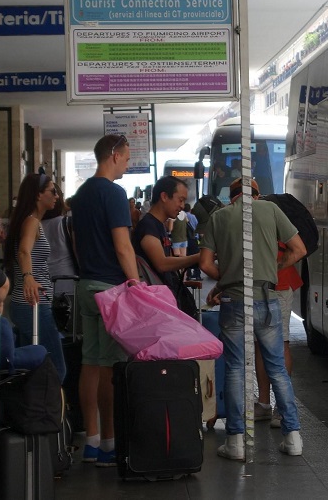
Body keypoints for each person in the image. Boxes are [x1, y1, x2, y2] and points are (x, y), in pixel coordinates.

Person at [200, 177, 307, 460]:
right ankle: (293, 437)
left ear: (231, 197)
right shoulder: (270, 209)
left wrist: (227, 280)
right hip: (266, 298)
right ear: (256, 195)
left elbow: (205, 264)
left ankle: (235, 442)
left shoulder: (218, 217)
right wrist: (275, 267)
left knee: (235, 368)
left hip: (234, 301)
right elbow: (299, 249)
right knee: (276, 369)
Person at [69, 133, 138, 467]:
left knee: (90, 362)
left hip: (86, 286)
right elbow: (123, 245)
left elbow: (79, 246)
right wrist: (136, 283)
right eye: (126, 157)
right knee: (111, 366)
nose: (127, 163)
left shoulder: (80, 195)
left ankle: (91, 442)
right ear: (113, 155)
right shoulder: (113, 193)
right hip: (111, 289)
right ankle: (110, 443)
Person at [3, 172, 67, 382]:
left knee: (30, 370)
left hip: (26, 305)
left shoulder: (27, 221)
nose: (56, 196)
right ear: (38, 195)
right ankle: (49, 413)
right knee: (56, 369)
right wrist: (29, 277)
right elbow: (24, 251)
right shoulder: (31, 222)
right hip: (34, 306)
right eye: (52, 191)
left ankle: (30, 411)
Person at [132, 176, 202, 318]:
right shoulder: (148, 226)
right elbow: (162, 264)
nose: (182, 206)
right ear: (164, 196)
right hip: (154, 305)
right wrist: (199, 257)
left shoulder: (159, 225)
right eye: (180, 200)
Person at [253, 244, 303, 427]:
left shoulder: (274, 216)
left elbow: (300, 249)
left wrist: (272, 268)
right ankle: (265, 404)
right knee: (261, 342)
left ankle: (281, 407)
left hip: (278, 285)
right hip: (262, 285)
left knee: (280, 344)